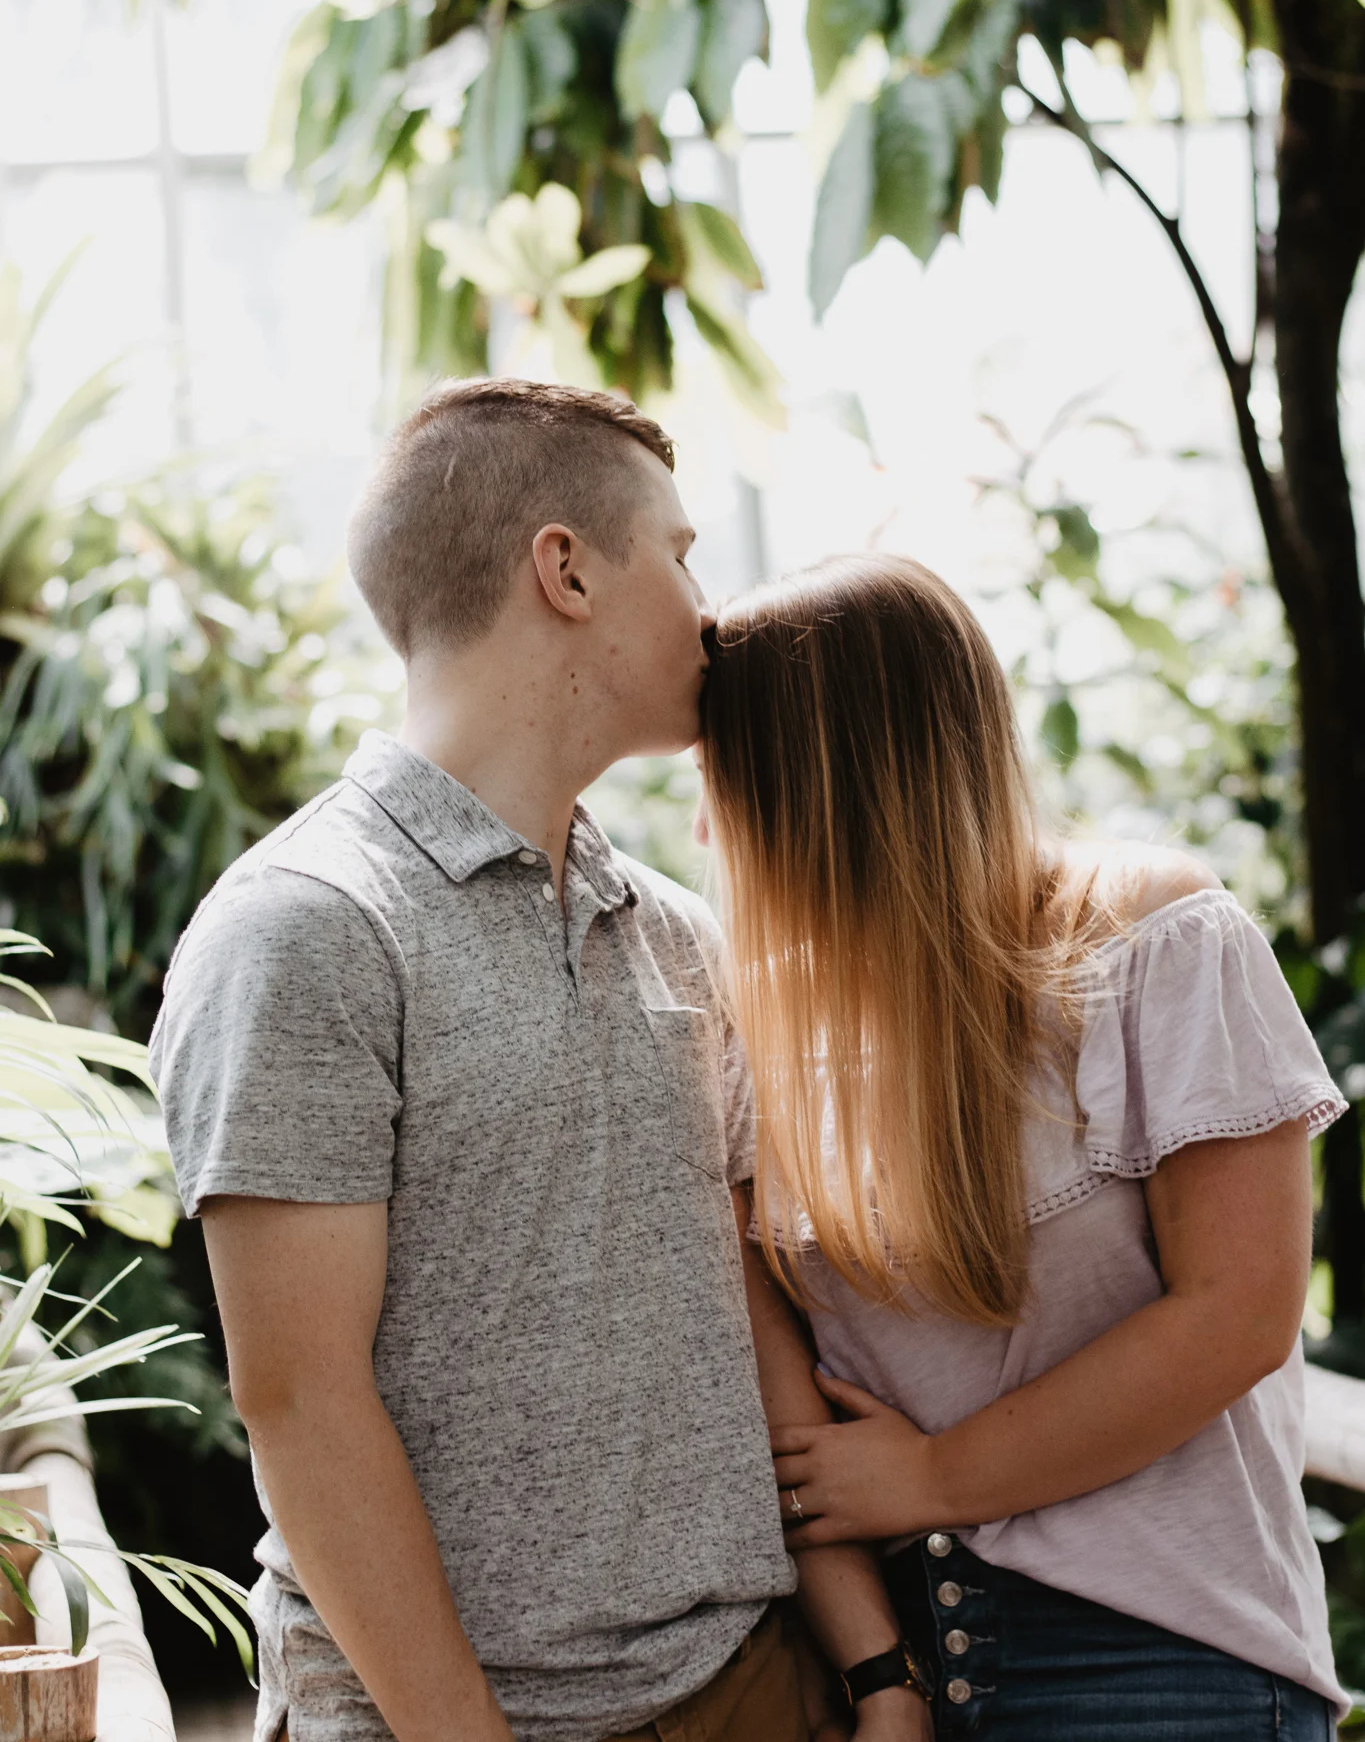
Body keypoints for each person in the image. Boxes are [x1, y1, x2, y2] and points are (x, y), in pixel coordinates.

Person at [149, 382, 924, 1742]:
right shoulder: (307, 931)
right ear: (563, 568)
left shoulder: (673, 935)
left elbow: (742, 1316)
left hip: (754, 1690)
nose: (709, 608)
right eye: (680, 556)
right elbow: (300, 1402)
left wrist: (873, 1671)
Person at [698, 550, 1349, 1741]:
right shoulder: (754, 1032)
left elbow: (1242, 1311)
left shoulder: (1154, 938)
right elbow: (777, 1396)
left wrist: (937, 1477)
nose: (702, 819)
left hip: (1161, 1650)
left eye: (721, 773)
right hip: (895, 1664)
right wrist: (877, 1677)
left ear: (818, 779)